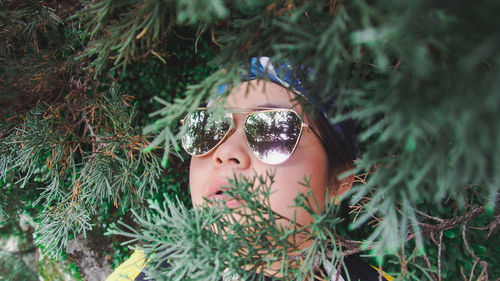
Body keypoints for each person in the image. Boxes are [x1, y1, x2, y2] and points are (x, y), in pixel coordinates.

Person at [106, 57, 393, 281]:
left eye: (273, 129)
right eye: (209, 128)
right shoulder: (145, 267)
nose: (226, 152)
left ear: (339, 180)